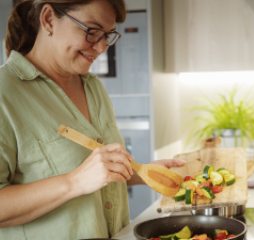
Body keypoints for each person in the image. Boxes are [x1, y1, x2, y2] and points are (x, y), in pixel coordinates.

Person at [0, 0, 184, 239]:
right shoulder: (6, 92)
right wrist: (74, 182)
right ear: (48, 19)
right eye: (92, 31)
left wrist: (142, 172)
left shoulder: (93, 87)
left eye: (107, 35)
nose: (101, 48)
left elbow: (98, 174)